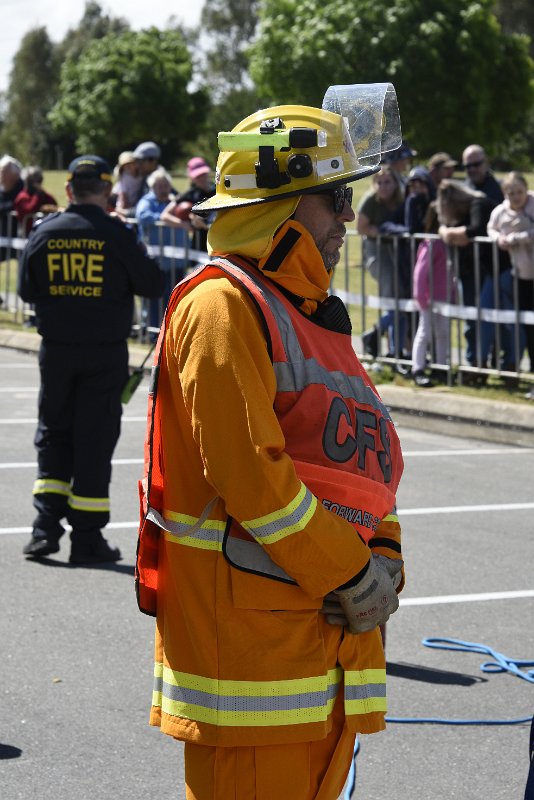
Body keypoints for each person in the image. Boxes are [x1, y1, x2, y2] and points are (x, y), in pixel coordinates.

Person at [135, 86, 405, 799]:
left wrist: (385, 552)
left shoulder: (311, 315)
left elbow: (361, 462)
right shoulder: (222, 305)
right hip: (253, 671)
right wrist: (352, 575)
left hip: (321, 663)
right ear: (281, 202)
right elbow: (253, 478)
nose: (350, 216)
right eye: (336, 198)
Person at [18, 154, 163, 563]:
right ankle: (87, 539)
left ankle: (44, 528)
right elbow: (152, 283)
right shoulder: (116, 234)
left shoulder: (45, 232)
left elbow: (27, 290)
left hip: (57, 352)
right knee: (94, 441)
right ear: (106, 190)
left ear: (68, 189)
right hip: (104, 356)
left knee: (53, 433)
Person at [437, 178, 505, 381]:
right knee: (473, 319)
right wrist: (446, 231)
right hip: (475, 271)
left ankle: (481, 364)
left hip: (493, 270)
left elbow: (474, 230)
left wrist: (447, 233)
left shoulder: (479, 204)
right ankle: (475, 363)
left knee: (486, 319)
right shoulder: (465, 212)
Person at [357, 165, 410, 359]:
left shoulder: (401, 199)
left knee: (402, 299)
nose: (383, 186)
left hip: (397, 252)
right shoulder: (371, 200)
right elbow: (361, 226)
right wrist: (379, 232)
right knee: (394, 301)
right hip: (377, 251)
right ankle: (374, 333)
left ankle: (396, 351)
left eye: (388, 182)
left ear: (396, 183)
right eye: (379, 182)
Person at [487, 171, 534, 373]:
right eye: (511, 193)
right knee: (525, 325)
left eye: (519, 191)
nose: (516, 197)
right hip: (520, 275)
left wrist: (518, 238)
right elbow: (491, 229)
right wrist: (499, 238)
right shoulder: (500, 211)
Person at [135, 167, 187, 336]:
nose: (163, 188)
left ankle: (171, 335)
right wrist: (166, 219)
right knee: (154, 299)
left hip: (176, 261)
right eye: (159, 185)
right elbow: (143, 216)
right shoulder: (147, 201)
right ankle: (152, 334)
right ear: (153, 187)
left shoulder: (174, 201)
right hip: (155, 261)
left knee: (174, 299)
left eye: (165, 185)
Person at [411, 203, 454, 386]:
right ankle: (417, 368)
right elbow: (421, 272)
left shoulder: (446, 244)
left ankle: (441, 367)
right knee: (425, 332)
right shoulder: (431, 243)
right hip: (428, 299)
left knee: (443, 332)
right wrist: (420, 295)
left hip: (443, 298)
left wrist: (452, 295)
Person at [161, 156, 216, 253]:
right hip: (201, 244)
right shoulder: (189, 194)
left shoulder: (218, 190)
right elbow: (164, 215)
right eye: (197, 176)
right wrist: (183, 224)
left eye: (203, 174)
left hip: (220, 241)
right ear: (192, 178)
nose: (201, 178)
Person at [14, 166, 58, 236]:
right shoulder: (22, 197)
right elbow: (29, 211)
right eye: (31, 180)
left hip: (46, 234)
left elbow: (55, 207)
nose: (36, 183)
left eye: (39, 180)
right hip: (28, 237)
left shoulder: (45, 196)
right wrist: (38, 194)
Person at [0, 155, 24, 259]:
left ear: (14, 175)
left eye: (3, 172)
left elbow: (20, 205)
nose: (1, 175)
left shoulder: (24, 189)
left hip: (20, 236)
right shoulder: (2, 189)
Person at [111, 151, 143, 216]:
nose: (128, 167)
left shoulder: (141, 176)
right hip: (124, 205)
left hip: (135, 203)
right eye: (125, 166)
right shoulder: (124, 178)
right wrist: (125, 208)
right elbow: (123, 195)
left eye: (130, 164)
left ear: (135, 164)